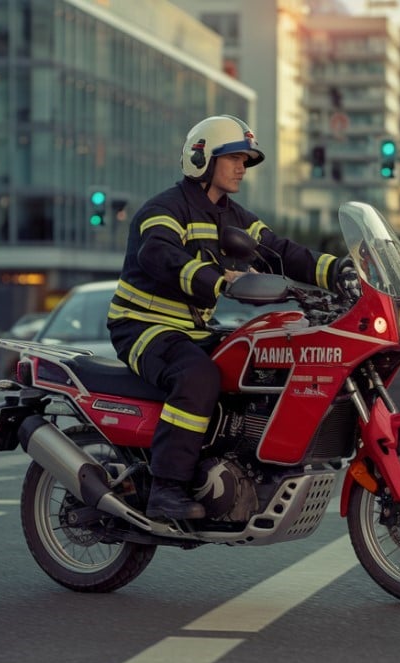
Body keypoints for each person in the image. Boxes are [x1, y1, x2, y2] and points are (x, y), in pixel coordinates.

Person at [107, 114, 344, 521]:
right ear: (202, 159)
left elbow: (280, 250)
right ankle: (167, 488)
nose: (241, 167)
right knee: (197, 376)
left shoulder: (233, 216)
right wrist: (219, 280)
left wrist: (340, 271)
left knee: (263, 362)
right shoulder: (164, 209)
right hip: (143, 327)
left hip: (192, 329)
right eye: (233, 157)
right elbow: (159, 255)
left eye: (245, 160)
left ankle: (243, 465)